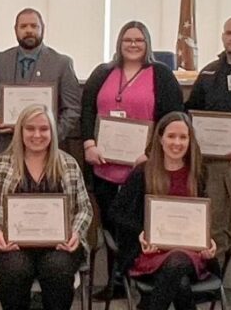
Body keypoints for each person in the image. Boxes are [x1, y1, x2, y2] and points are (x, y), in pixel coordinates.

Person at [81, 20, 183, 298]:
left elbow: (174, 117)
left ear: (147, 43)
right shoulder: (103, 72)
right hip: (104, 167)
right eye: (128, 40)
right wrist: (89, 144)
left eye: (139, 40)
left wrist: (151, 154)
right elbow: (87, 111)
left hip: (145, 170)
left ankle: (146, 281)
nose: (133, 45)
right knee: (113, 225)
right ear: (119, 43)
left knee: (140, 224)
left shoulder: (161, 74)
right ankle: (116, 283)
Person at [0, 104, 92, 310]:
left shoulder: (69, 164)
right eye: (30, 128)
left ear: (52, 132)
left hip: (60, 246)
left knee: (57, 269)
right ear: (20, 131)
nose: (37, 135)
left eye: (44, 129)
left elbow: (84, 209)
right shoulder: (1, 165)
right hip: (13, 246)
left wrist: (75, 232)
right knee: (15, 270)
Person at [110, 111, 217, 310]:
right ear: (160, 138)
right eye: (171, 136)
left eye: (183, 137)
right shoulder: (143, 171)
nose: (177, 143)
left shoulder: (198, 172)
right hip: (152, 251)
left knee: (177, 262)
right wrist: (142, 234)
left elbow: (202, 217)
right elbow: (116, 212)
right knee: (181, 284)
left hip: (190, 252)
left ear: (190, 140)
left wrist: (208, 241)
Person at [185, 15, 231, 306]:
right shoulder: (210, 72)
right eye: (228, 33)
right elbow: (190, 112)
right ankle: (214, 288)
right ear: (222, 37)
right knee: (215, 231)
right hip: (212, 166)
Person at [0, 8, 81, 154]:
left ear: (42, 29)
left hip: (46, 149)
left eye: (34, 26)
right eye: (23, 26)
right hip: (6, 146)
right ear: (15, 30)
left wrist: (51, 136)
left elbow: (72, 110)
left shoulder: (62, 63)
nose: (29, 30)